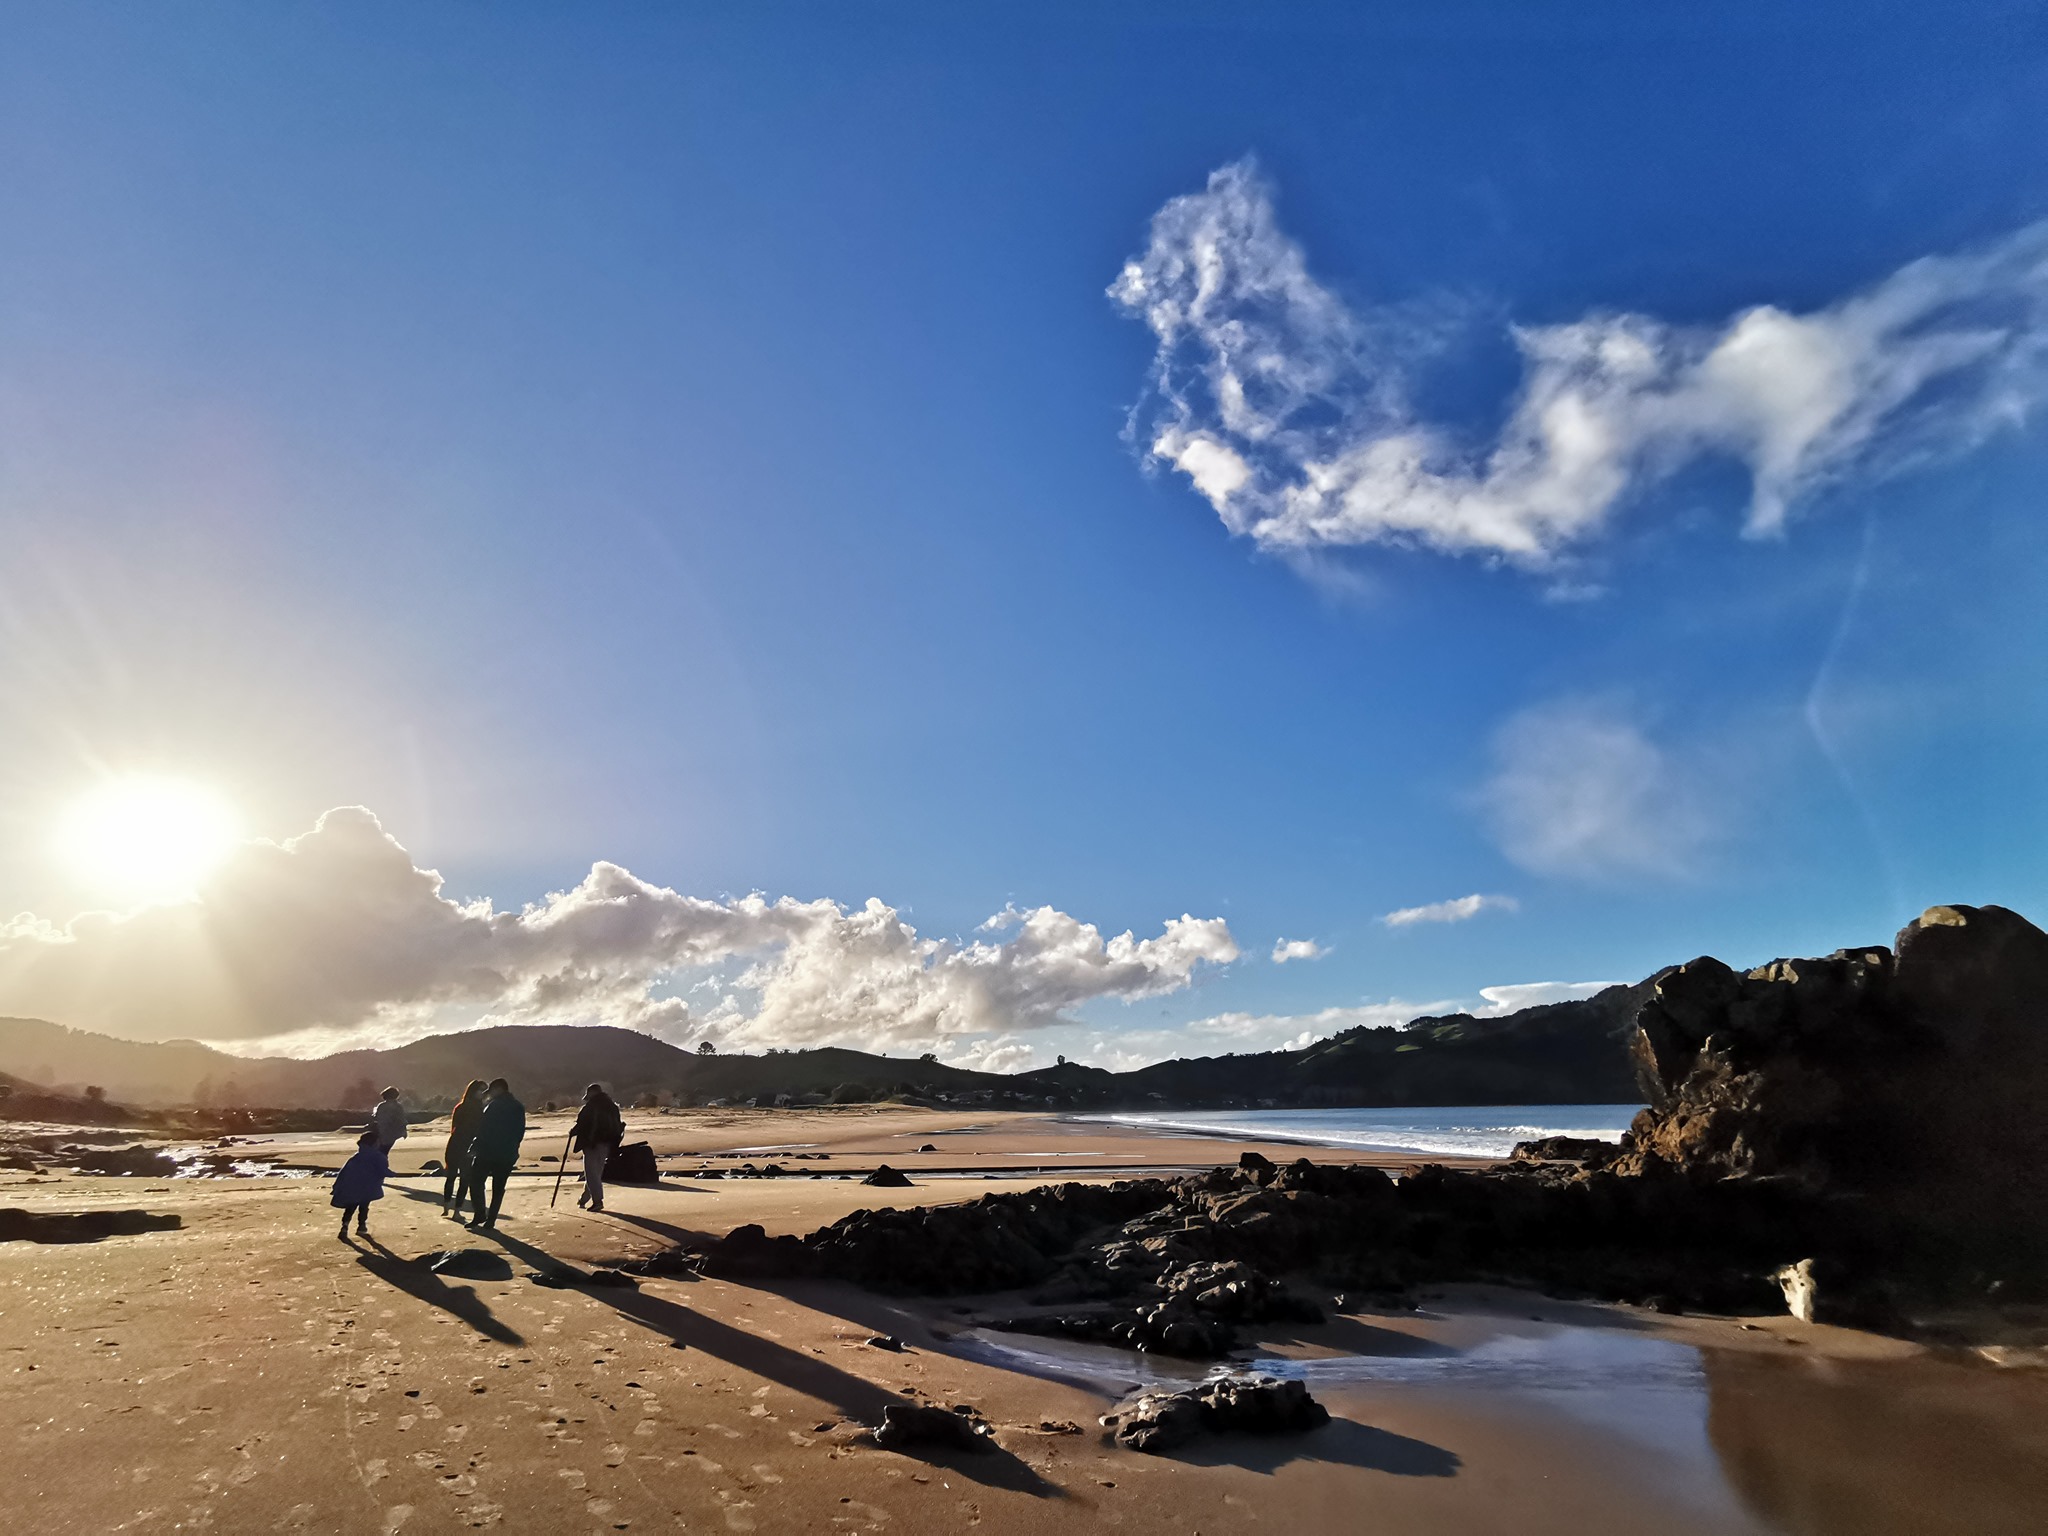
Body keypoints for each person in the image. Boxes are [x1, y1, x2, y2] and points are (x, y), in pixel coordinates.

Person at [466, 1078, 525, 1231]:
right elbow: (520, 1132)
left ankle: (480, 1214)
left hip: (487, 1152)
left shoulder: (493, 1106)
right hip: (507, 1154)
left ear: (499, 1089)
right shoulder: (518, 1107)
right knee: (498, 1188)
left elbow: (483, 1129)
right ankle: (491, 1220)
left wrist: (474, 1147)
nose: (489, 1094)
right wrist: (513, 1149)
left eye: (491, 1091)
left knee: (476, 1182)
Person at [569, 1083, 624, 1212]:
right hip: (608, 1144)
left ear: (592, 1094)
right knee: (596, 1173)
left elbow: (582, 1125)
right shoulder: (612, 1107)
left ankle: (597, 1201)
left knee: (591, 1173)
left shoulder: (590, 1107)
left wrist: (573, 1132)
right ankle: (585, 1198)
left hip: (592, 1144)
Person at [442, 1078, 488, 1216]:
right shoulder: (478, 1109)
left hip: (455, 1143)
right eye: (480, 1090)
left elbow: (454, 1127)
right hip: (467, 1144)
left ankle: (447, 1207)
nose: (482, 1093)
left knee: (452, 1176)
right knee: (464, 1178)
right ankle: (456, 1210)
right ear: (474, 1091)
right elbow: (479, 1129)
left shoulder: (460, 1107)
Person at [332, 1130, 388, 1239]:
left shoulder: (356, 1157)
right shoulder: (377, 1157)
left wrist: (337, 1186)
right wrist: (391, 1174)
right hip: (367, 1188)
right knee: (364, 1207)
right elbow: (382, 1170)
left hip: (352, 1187)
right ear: (373, 1144)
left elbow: (343, 1172)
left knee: (350, 1207)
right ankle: (361, 1227)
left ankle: (344, 1227)